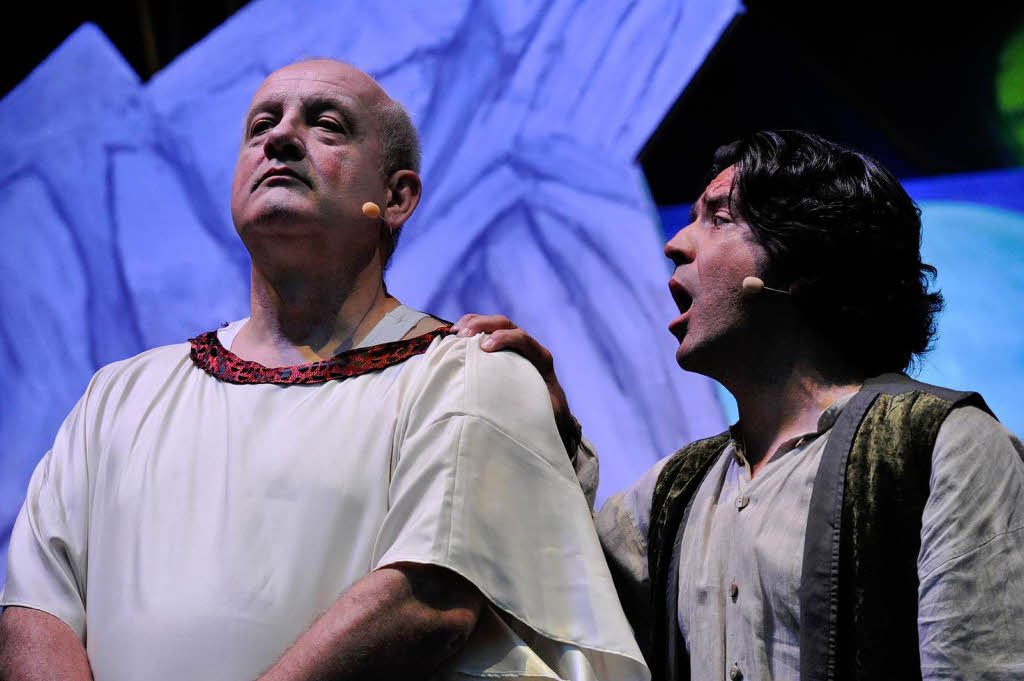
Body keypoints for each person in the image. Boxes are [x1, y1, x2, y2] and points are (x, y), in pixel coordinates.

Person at [0, 59, 648, 681]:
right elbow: (36, 609)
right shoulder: (120, 394)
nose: (281, 136)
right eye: (261, 125)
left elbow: (429, 599)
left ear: (396, 197)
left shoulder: (470, 375)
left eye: (327, 124)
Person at [452, 130, 1024, 681]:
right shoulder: (674, 490)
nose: (675, 242)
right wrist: (543, 431)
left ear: (804, 265)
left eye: (718, 217)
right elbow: (557, 603)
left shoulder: (944, 447)